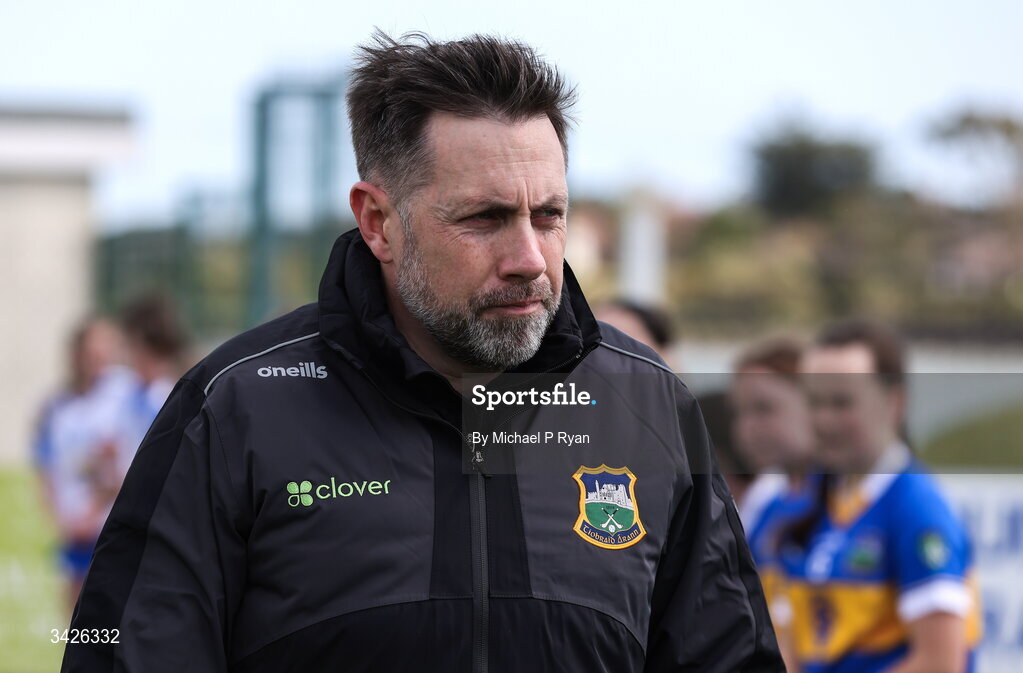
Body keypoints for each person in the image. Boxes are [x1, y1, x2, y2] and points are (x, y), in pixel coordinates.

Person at [61, 31, 783, 673]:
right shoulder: (236, 405)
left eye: (548, 214)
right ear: (378, 221)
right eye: (485, 218)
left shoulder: (647, 403)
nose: (529, 257)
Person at [777, 319, 982, 673]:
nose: (824, 420)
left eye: (842, 403)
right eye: (814, 402)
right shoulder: (813, 499)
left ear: (893, 402)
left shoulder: (916, 509)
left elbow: (941, 663)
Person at [33, 317, 135, 612]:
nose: (98, 361)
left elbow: (121, 466)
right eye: (92, 353)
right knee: (76, 614)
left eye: (104, 353)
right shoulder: (57, 406)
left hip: (111, 525)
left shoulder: (122, 395)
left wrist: (93, 510)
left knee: (112, 612)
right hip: (76, 530)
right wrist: (61, 518)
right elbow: (46, 465)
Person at [729, 336, 816, 671]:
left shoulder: (849, 507)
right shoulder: (764, 506)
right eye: (740, 413)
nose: (747, 428)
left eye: (764, 409)